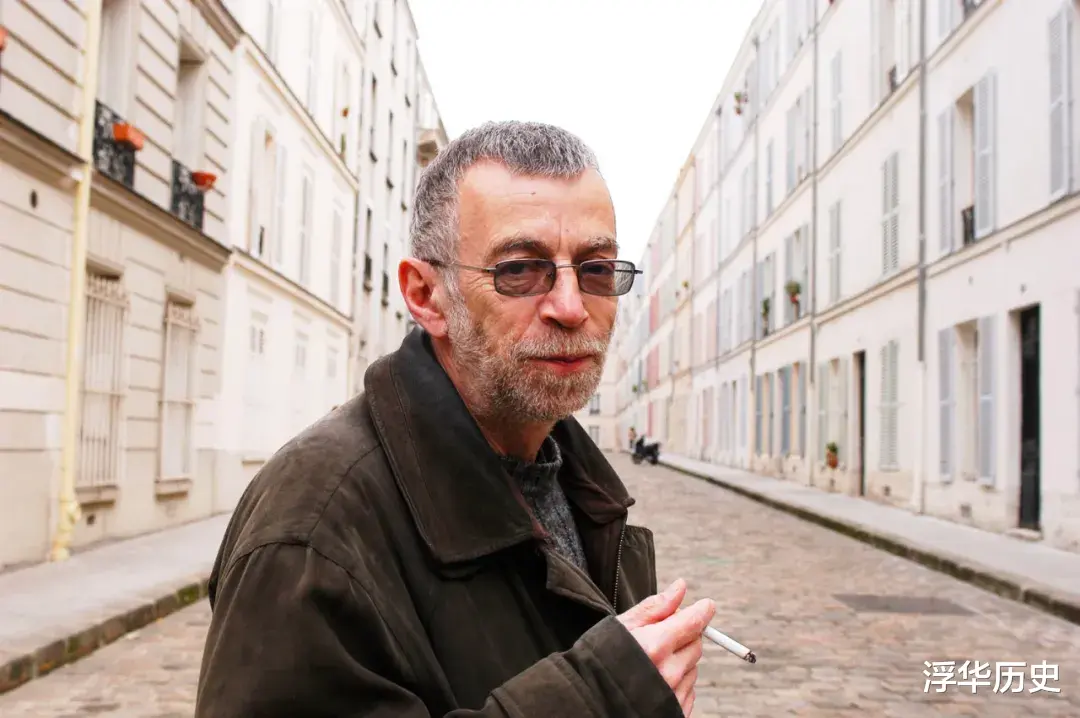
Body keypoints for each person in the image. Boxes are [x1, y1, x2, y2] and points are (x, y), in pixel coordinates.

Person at [194, 121, 716, 717]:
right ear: (425, 296)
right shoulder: (312, 529)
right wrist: (601, 699)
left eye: (596, 269)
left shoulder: (579, 483)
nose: (572, 307)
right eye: (519, 270)